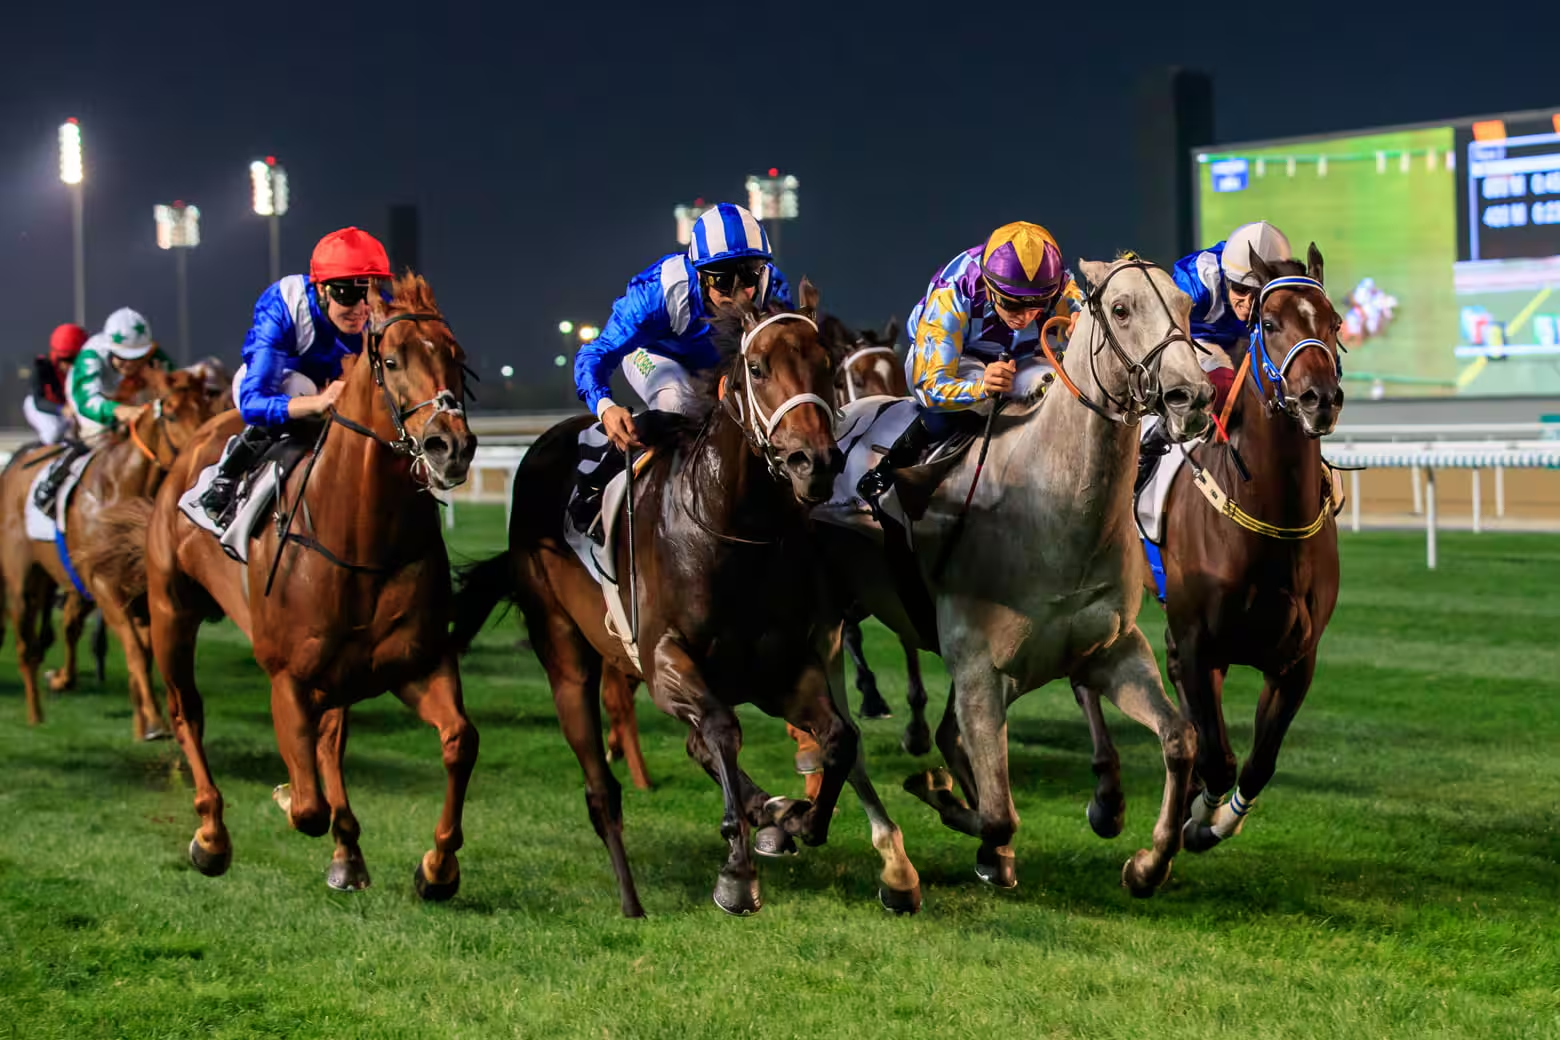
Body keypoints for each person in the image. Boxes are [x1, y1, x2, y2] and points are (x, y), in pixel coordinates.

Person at [856, 221, 1083, 505]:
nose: (1025, 316)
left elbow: (1084, 325)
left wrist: (1084, 329)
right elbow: (930, 386)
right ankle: (891, 467)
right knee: (974, 404)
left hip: (1021, 357)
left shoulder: (1061, 285)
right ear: (988, 287)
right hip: (953, 357)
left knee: (1053, 386)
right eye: (1011, 303)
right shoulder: (952, 293)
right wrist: (980, 388)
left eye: (1037, 303)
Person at [196, 227, 392, 526]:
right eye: (348, 294)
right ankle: (227, 477)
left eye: (370, 294)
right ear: (322, 288)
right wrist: (318, 402)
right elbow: (253, 403)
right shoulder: (284, 305)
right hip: (277, 386)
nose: (361, 309)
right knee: (300, 386)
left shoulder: (381, 312)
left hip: (335, 388)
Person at [574, 202, 792, 453]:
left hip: (724, 364)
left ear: (761, 271)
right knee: (680, 406)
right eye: (722, 279)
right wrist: (605, 407)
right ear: (700, 275)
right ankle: (626, 463)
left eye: (748, 276)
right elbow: (595, 353)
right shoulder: (657, 294)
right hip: (656, 354)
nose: (738, 294)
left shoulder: (774, 288)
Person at [1135, 220, 1295, 488]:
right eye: (1240, 289)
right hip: (1197, 339)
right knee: (1221, 381)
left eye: (1258, 294)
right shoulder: (1198, 281)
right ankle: (1155, 440)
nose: (1248, 303)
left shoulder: (1288, 291)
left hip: (1249, 342)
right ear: (1226, 278)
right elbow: (1158, 329)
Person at [33, 309, 170, 512]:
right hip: (87, 398)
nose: (130, 364)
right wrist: (118, 411)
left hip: (123, 396)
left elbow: (174, 383)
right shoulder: (90, 356)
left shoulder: (154, 354)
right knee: (100, 439)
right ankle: (53, 482)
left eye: (137, 357)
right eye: (123, 357)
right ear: (110, 348)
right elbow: (87, 401)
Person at [25, 323, 89, 445]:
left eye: (74, 360)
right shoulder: (42, 366)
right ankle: (38, 453)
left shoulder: (86, 370)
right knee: (53, 432)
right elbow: (39, 402)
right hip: (41, 407)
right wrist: (62, 409)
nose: (69, 365)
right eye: (65, 360)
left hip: (67, 409)